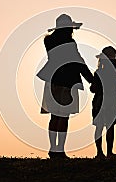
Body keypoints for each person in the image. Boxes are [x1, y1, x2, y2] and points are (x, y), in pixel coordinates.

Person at [37, 14, 93, 159]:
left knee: (54, 116)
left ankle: (53, 148)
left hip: (53, 80)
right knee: (64, 116)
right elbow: (77, 61)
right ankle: (59, 149)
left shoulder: (48, 41)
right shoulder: (70, 42)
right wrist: (91, 79)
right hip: (67, 82)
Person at [90, 46, 116, 159]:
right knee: (110, 127)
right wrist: (115, 54)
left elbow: (93, 89)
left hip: (99, 101)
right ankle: (109, 153)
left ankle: (99, 152)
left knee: (99, 127)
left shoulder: (99, 72)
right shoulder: (115, 70)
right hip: (111, 101)